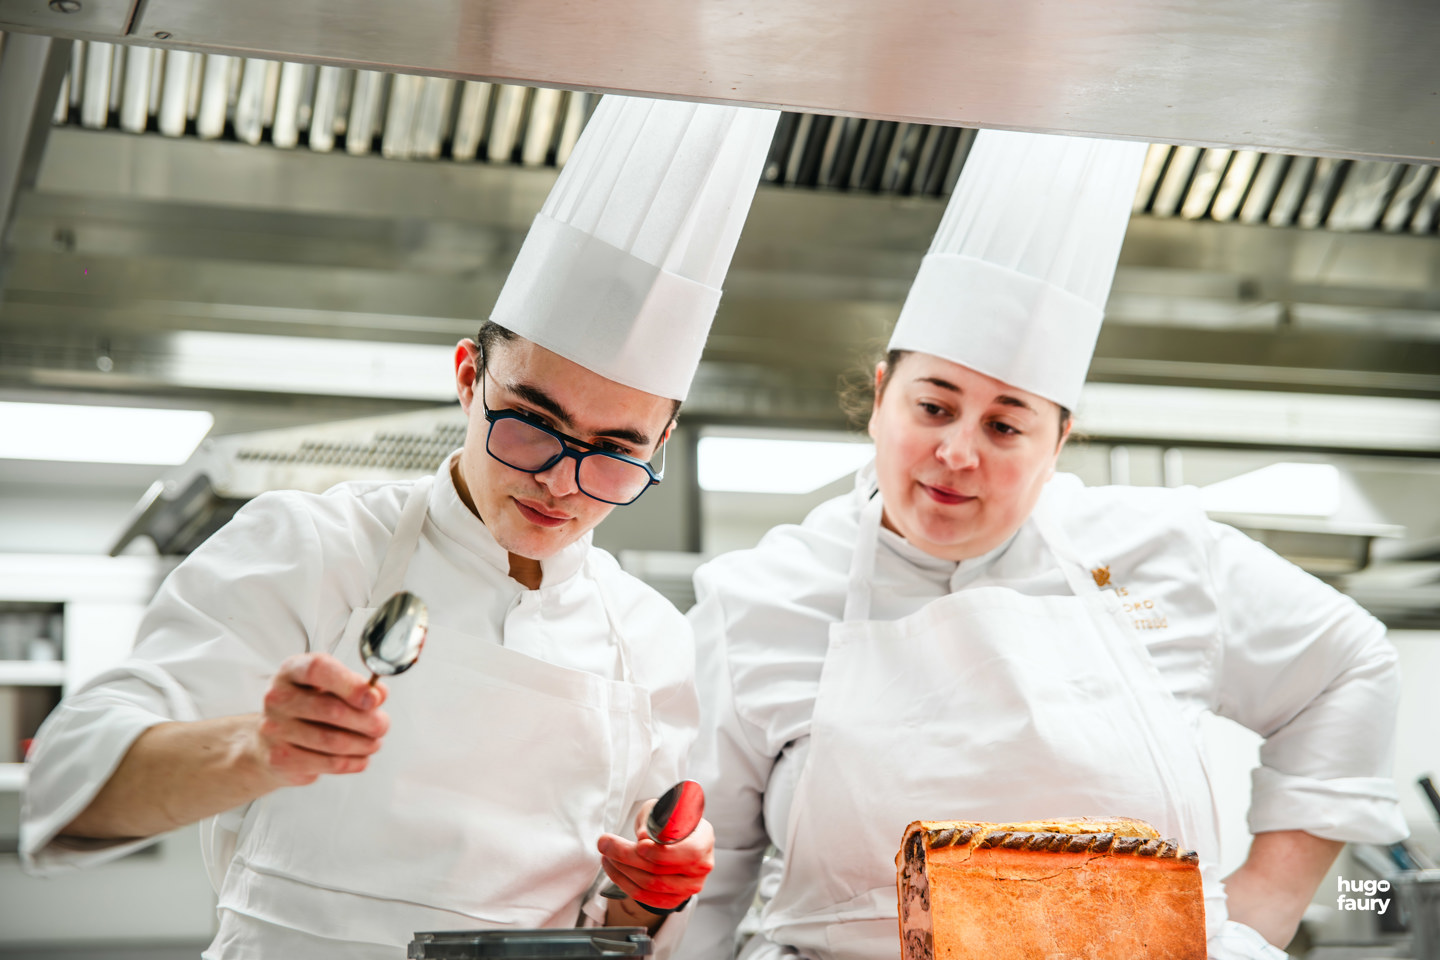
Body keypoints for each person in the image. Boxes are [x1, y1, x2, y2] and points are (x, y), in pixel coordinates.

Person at [20, 96, 780, 960]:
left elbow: (616, 920)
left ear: (662, 444)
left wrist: (647, 895)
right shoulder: (312, 550)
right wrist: (259, 747)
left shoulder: (650, 638)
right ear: (468, 377)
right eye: (530, 423)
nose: (560, 485)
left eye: (613, 454)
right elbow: (72, 779)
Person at [676, 131, 1407, 960]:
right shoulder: (757, 599)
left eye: (1005, 424)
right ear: (882, 398)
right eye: (934, 407)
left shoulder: (1160, 550)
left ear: (1058, 442)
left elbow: (1352, 666)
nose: (959, 452)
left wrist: (1262, 905)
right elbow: (704, 884)